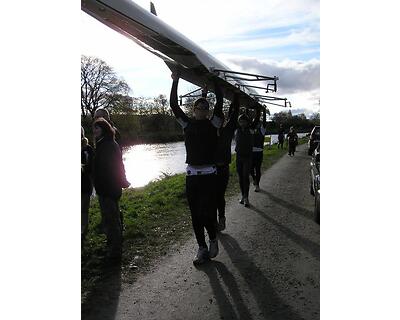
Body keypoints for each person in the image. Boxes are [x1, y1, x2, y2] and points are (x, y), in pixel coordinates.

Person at [169, 71, 223, 265]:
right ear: (194, 110)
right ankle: (201, 248)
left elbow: (220, 102)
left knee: (207, 213)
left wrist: (216, 80)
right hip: (192, 175)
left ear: (208, 110)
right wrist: (175, 82)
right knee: (195, 214)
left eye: (204, 107)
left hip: (209, 175)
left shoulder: (214, 123)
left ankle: (213, 239)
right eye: (198, 107)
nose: (201, 110)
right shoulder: (187, 124)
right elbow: (174, 106)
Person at [92, 118, 129, 260]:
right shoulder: (107, 143)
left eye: (97, 128)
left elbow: (111, 167)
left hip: (107, 189)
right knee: (112, 220)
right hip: (110, 188)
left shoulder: (106, 145)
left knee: (111, 221)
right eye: (94, 128)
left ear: (104, 129)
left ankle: (114, 253)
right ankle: (113, 248)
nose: (94, 131)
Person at [214, 93, 240, 232]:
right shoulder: (209, 131)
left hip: (223, 169)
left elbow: (234, 115)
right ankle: (213, 221)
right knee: (211, 196)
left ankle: (222, 218)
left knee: (219, 195)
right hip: (210, 170)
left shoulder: (228, 131)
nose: (218, 122)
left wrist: (235, 98)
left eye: (221, 120)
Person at [235, 107, 260, 207]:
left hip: (248, 157)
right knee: (241, 178)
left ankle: (246, 198)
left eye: (244, 121)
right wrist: (234, 104)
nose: (242, 123)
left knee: (245, 177)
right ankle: (243, 195)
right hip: (239, 157)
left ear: (247, 122)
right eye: (240, 121)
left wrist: (257, 107)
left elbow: (257, 118)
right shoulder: (237, 129)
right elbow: (231, 116)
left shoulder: (251, 128)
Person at [81, 127, 94, 242]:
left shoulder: (88, 149)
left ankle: (83, 228)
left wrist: (84, 167)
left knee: (84, 208)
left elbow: (93, 166)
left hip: (85, 183)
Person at [251, 106, 267, 192]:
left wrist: (263, 111)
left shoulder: (262, 130)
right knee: (250, 169)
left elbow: (264, 121)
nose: (256, 123)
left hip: (259, 153)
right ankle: (254, 179)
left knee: (257, 169)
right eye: (255, 122)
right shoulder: (251, 130)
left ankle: (257, 185)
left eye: (257, 123)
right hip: (251, 152)